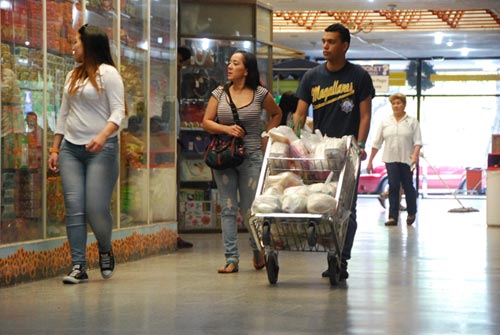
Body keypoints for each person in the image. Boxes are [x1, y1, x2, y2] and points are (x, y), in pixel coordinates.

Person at [292, 23, 375, 281]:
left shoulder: (359, 77)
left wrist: (360, 146)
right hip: (319, 153)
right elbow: (300, 112)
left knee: (348, 209)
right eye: (323, 41)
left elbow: (365, 115)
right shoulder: (312, 77)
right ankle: (331, 254)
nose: (325, 46)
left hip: (348, 152)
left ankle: (342, 258)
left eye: (331, 42)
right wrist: (296, 142)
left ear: (345, 45)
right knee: (321, 204)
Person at [48, 24, 126, 284]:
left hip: (102, 150)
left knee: (95, 207)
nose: (72, 47)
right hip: (71, 149)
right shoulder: (73, 75)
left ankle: (105, 248)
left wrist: (102, 136)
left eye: (76, 43)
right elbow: (63, 113)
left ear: (89, 45)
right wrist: (55, 147)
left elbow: (118, 112)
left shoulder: (109, 74)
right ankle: (78, 265)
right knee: (74, 208)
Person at [202, 50, 282, 273]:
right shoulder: (219, 93)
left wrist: (267, 135)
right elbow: (206, 122)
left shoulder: (259, 93)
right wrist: (226, 128)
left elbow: (276, 113)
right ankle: (231, 258)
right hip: (224, 157)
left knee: (250, 209)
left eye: (235, 63)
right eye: (229, 62)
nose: (229, 66)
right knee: (228, 208)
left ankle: (257, 249)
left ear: (246, 70)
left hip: (251, 157)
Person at [366, 93, 422, 226]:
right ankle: (393, 217)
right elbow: (376, 143)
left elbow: (418, 142)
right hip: (390, 159)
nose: (396, 106)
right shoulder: (385, 122)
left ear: (404, 105)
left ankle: (411, 212)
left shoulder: (412, 121)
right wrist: (370, 161)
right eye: (394, 104)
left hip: (407, 159)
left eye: (399, 103)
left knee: (408, 186)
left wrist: (415, 155)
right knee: (394, 186)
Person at [176, 46, 195, 249]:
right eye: (180, 63)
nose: (180, 68)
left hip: (176, 139)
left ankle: (175, 230)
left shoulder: (177, 86)